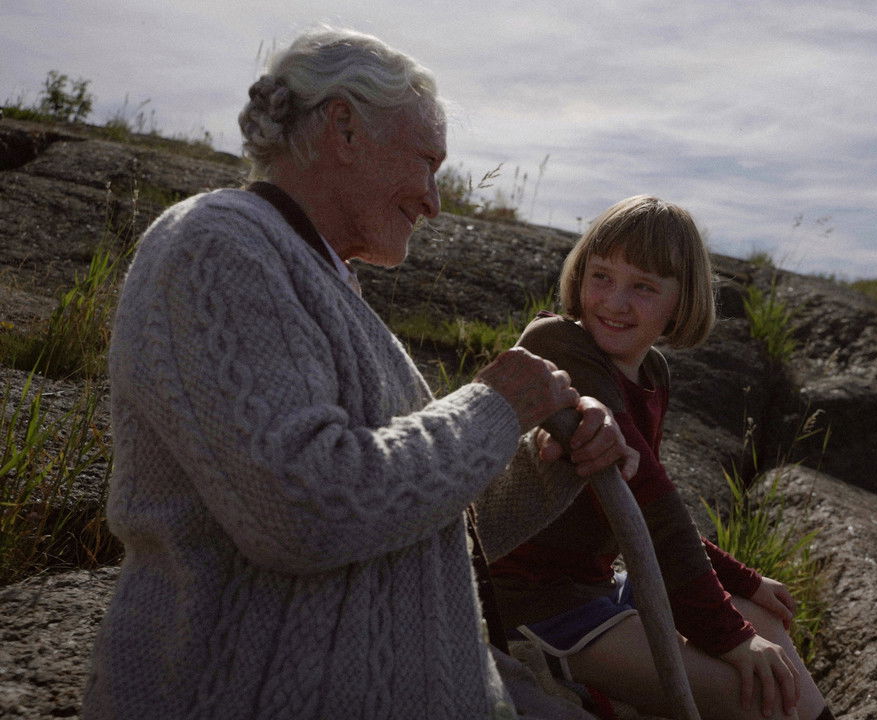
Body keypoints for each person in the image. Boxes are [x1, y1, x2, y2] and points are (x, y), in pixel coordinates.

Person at [81, 27, 634, 720]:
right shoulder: (217, 243)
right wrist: (494, 407)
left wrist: (547, 463)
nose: (433, 201)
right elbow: (303, 510)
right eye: (426, 162)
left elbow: (408, 523)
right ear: (343, 127)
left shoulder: (316, 278)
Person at [483, 196, 832, 720]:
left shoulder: (652, 373)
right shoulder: (557, 341)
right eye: (601, 276)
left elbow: (640, 504)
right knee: (756, 696)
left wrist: (744, 583)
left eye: (643, 287)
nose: (615, 301)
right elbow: (649, 502)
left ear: (680, 301)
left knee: (764, 619)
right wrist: (729, 637)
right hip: (538, 605)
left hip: (601, 587)